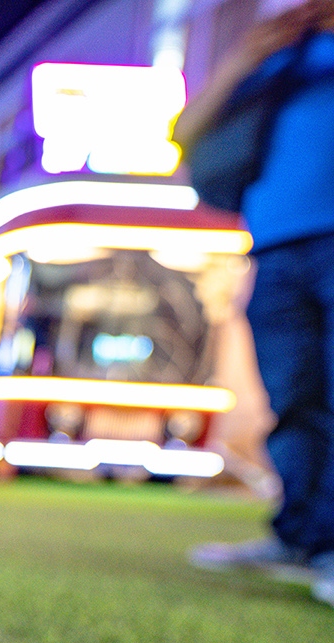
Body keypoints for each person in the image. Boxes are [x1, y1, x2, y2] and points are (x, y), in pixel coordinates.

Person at [176, 0, 334, 608]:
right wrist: (244, 57)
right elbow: (186, 134)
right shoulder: (279, 59)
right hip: (274, 243)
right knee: (295, 397)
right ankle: (302, 536)